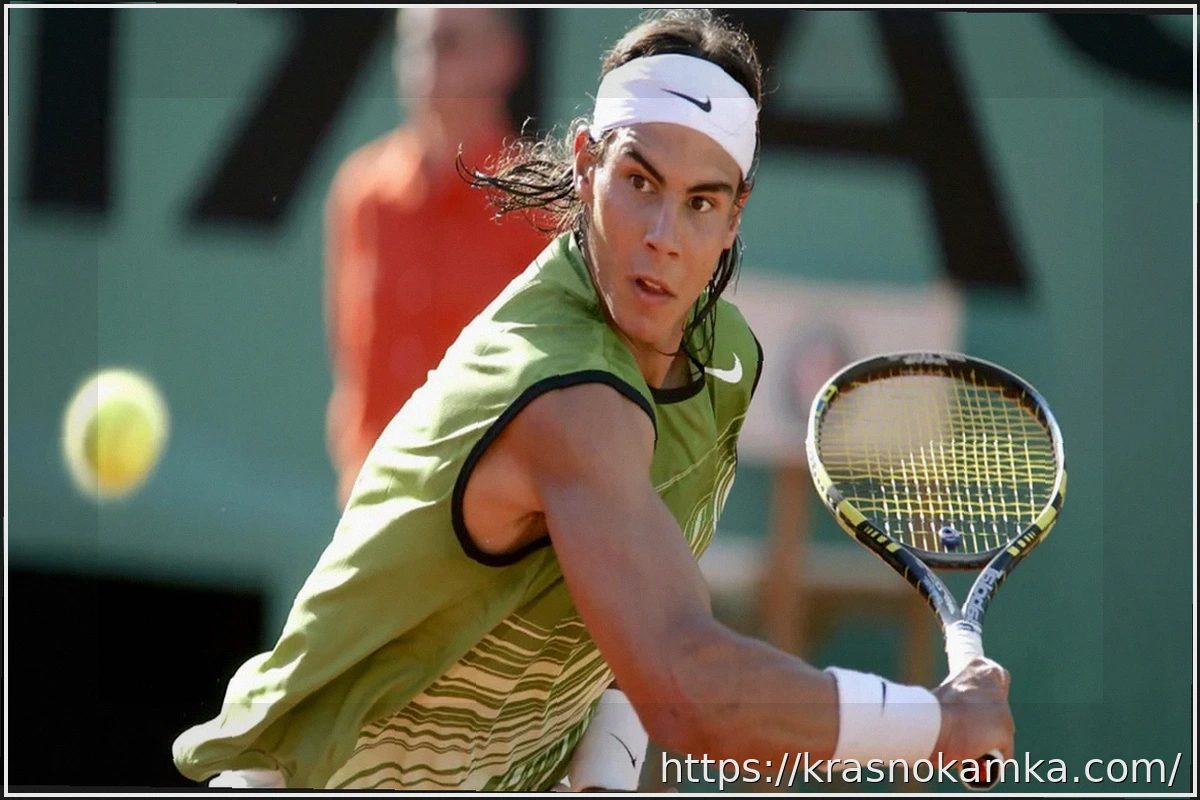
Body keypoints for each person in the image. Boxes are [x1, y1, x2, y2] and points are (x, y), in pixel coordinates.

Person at [174, 9, 1013, 791]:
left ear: (734, 217)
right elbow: (687, 689)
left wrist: (604, 771)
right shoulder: (564, 394)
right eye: (639, 181)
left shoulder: (724, 360)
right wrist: (935, 723)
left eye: (701, 202)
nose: (662, 236)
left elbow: (623, 632)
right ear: (585, 163)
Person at [324, 7, 549, 508]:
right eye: (414, 44)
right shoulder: (362, 193)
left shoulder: (543, 208)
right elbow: (352, 360)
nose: (425, 64)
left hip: (493, 516)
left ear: (505, 58)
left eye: (448, 44)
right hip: (373, 501)